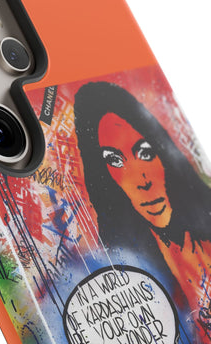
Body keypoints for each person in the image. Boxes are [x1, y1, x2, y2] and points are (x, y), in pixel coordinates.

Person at [74, 81, 211, 339]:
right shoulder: (128, 277)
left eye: (145, 152)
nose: (143, 181)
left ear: (163, 153)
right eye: (115, 161)